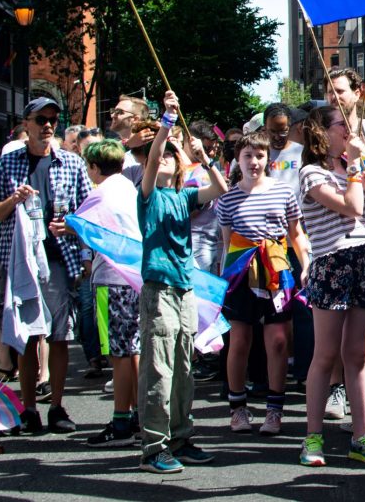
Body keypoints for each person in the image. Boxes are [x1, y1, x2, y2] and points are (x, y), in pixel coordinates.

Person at [137, 91, 227, 473]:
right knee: (159, 371)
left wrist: (204, 159)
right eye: (162, 158)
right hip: (158, 290)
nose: (166, 161)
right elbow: (155, 156)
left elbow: (220, 189)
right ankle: (153, 448)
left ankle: (180, 437)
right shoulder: (147, 196)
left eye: (175, 157)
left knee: (184, 371)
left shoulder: (184, 197)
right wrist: (167, 122)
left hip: (184, 289)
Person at [298, 104, 365, 467]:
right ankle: (313, 438)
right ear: (322, 132)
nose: (348, 129)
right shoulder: (311, 173)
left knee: (357, 355)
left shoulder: (354, 171)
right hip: (332, 263)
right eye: (341, 124)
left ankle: (361, 437)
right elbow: (350, 209)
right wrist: (356, 170)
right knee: (326, 354)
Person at [0, 97, 92, 434]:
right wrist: (14, 199)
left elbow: (88, 212)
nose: (48, 125)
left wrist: (73, 228)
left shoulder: (72, 163)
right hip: (19, 260)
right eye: (41, 119)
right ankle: (29, 410)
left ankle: (57, 407)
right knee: (28, 335)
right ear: (27, 124)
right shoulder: (6, 165)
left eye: (54, 119)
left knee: (59, 335)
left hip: (58, 258)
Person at [217, 131, 310, 437]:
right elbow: (226, 242)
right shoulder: (227, 199)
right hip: (241, 272)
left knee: (279, 340)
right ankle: (238, 408)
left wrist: (306, 264)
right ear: (237, 160)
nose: (254, 162)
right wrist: (222, 282)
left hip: (276, 269)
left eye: (259, 156)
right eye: (247, 156)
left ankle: (274, 410)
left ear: (268, 159)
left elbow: (296, 234)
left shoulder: (284, 192)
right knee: (239, 340)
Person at [81, 140, 143, 447]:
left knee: (118, 352)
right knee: (133, 349)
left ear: (94, 167)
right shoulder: (130, 189)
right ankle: (138, 416)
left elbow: (79, 225)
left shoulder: (99, 192)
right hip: (135, 279)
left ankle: (121, 421)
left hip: (110, 278)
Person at [109, 95, 152, 185]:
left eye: (119, 112)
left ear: (135, 119)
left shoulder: (149, 147)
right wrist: (128, 145)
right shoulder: (113, 147)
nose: (113, 115)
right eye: (113, 111)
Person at [262, 103, 303, 192]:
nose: (277, 137)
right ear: (265, 128)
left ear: (290, 127)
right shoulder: (258, 155)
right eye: (273, 131)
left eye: (283, 131)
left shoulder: (303, 153)